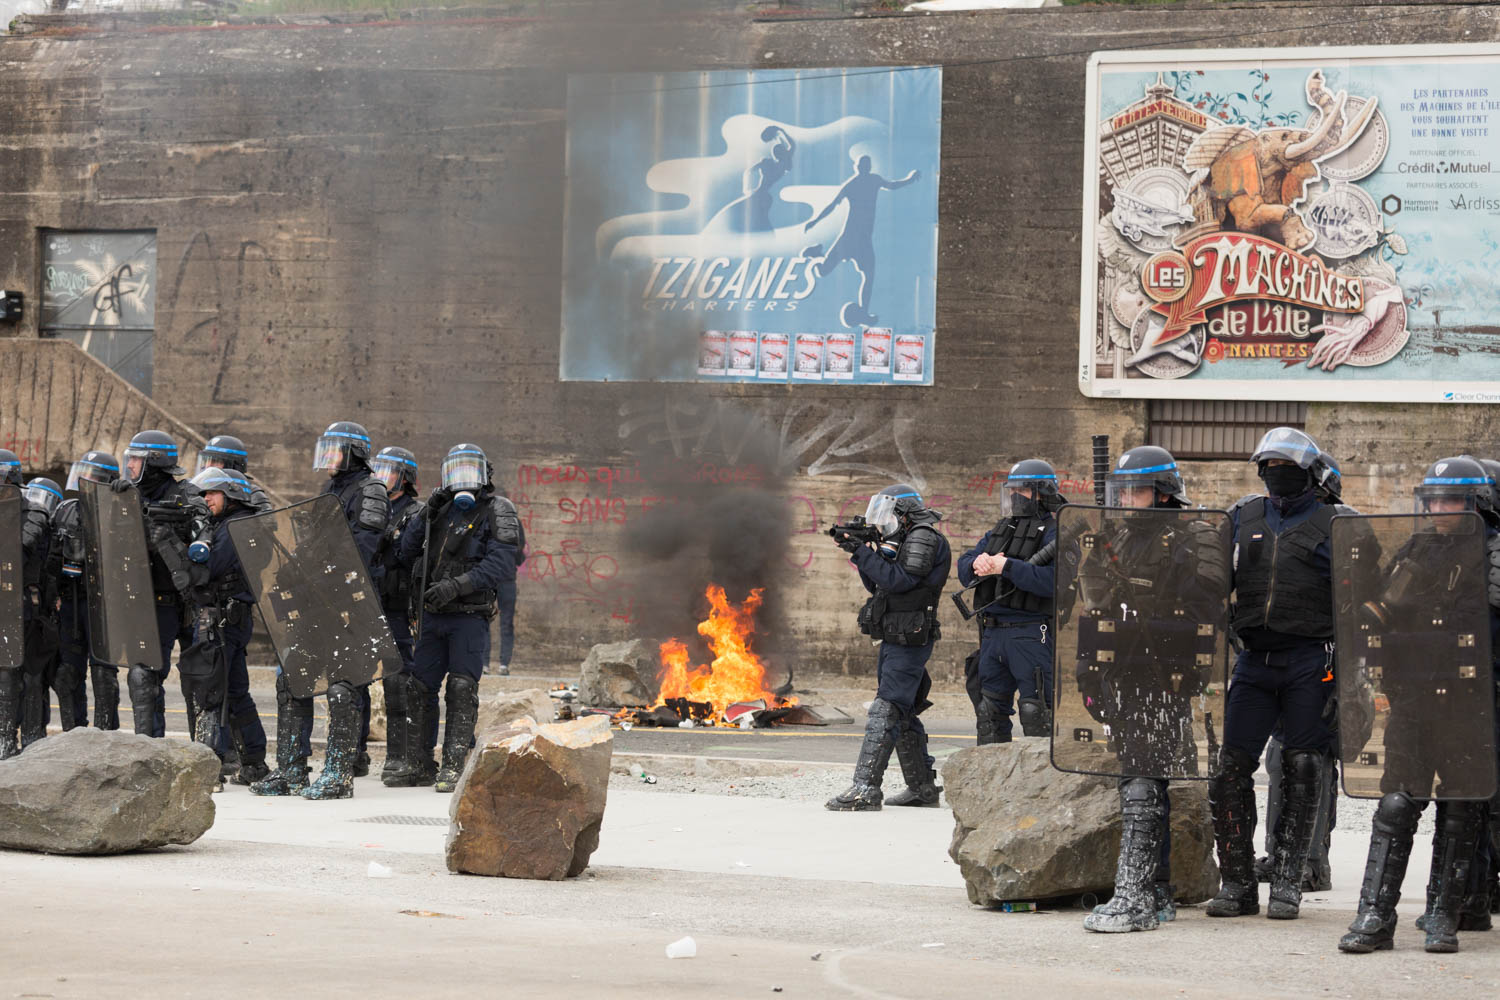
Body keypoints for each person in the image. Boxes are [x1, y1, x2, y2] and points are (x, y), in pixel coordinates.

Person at [1340, 455, 1499, 953]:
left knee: (1461, 807)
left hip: (1469, 704)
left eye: (1451, 499)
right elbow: (1383, 612)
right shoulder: (1417, 545)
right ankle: (1375, 914)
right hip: (1413, 696)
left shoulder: (1494, 552)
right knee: (1395, 803)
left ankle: (1442, 913)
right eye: (1433, 499)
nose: (1438, 509)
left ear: (1479, 502)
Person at [1072, 446, 1229, 932]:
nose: (1127, 499)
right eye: (1122, 490)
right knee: (1139, 777)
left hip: (1167, 675)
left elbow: (1208, 605)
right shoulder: (1115, 534)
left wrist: (1144, 597)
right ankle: (1156, 889)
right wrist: (1089, 671)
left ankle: (1137, 895)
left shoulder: (1195, 535)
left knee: (1143, 777)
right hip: (1123, 670)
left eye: (1136, 490)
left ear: (1163, 493)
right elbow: (1095, 609)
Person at [1208, 427, 1347, 920]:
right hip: (1254, 659)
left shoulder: (1338, 523)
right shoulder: (1243, 516)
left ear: (1310, 474)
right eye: (1268, 468)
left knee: (1305, 766)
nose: (1275, 475)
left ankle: (1289, 879)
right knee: (1230, 769)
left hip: (1312, 658)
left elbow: (1364, 596)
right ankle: (1238, 883)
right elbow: (1208, 579)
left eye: (1285, 468)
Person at [257, 420, 389, 800]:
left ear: (355, 454)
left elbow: (361, 551)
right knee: (292, 681)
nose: (328, 459)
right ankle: (291, 769)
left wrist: (326, 578)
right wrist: (291, 574)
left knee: (343, 689)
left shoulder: (371, 491)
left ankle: (338, 773)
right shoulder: (331, 490)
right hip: (316, 603)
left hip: (348, 605)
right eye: (325, 450)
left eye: (336, 451)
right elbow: (312, 544)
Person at [396, 444, 522, 792]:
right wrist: (426, 514)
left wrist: (456, 587)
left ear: (484, 474)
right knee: (419, 687)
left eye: (471, 470)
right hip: (432, 616)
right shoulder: (437, 512)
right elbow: (405, 552)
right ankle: (419, 763)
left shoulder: (498, 510)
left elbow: (501, 564)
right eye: (457, 470)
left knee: (462, 688)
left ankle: (453, 765)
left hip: (468, 616)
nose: (464, 478)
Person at [825, 484, 950, 811]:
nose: (884, 523)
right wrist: (863, 550)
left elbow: (901, 581)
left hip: (911, 636)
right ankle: (922, 788)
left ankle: (865, 789)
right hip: (896, 634)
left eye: (889, 516)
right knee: (903, 709)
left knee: (887, 706)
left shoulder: (924, 537)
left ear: (904, 514)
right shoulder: (904, 538)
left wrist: (864, 552)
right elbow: (878, 582)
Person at [1257, 446, 1345, 894]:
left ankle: (1311, 862)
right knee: (1280, 760)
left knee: (1314, 766)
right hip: (1284, 663)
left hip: (1327, 666)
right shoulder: (1277, 532)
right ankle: (1279, 855)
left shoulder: (1342, 534)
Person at [956, 460, 1064, 744]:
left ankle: (1039, 785)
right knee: (988, 713)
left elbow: (1054, 583)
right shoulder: (1002, 528)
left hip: (1030, 631)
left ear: (1042, 492)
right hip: (992, 632)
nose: (1016, 496)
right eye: (1012, 489)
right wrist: (976, 563)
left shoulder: (1057, 532)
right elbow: (965, 564)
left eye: (1023, 490)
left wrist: (1007, 567)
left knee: (1036, 712)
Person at [119, 429, 211, 738]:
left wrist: (172, 540)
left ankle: (209, 758)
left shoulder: (188, 496)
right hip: (149, 601)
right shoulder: (127, 494)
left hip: (188, 602)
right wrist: (114, 506)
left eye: (136, 459)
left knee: (200, 679)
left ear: (154, 462)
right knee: (142, 677)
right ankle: (148, 751)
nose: (130, 465)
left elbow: (205, 544)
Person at [182, 466, 270, 785]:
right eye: (204, 494)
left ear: (230, 495)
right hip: (225, 618)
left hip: (222, 619)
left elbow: (211, 568)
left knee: (209, 690)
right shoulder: (227, 524)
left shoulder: (233, 526)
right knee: (235, 692)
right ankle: (254, 761)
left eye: (212, 493)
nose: (206, 499)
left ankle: (212, 764)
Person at [50, 452, 123, 731]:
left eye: (91, 475)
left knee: (104, 675)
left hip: (104, 605)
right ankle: (74, 734)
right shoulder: (66, 509)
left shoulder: (118, 510)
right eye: (83, 472)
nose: (84, 480)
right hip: (71, 601)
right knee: (67, 674)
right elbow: (52, 556)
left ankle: (106, 736)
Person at [370, 446, 424, 787]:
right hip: (368, 602)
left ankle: (399, 754)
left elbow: (406, 557)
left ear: (404, 478)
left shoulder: (413, 512)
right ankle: (354, 754)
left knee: (397, 680)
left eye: (388, 471)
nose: (381, 477)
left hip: (396, 606)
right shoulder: (370, 507)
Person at [17, 477, 61, 747]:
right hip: (28, 614)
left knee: (37, 680)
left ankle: (34, 737)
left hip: (45, 620)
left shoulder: (56, 538)